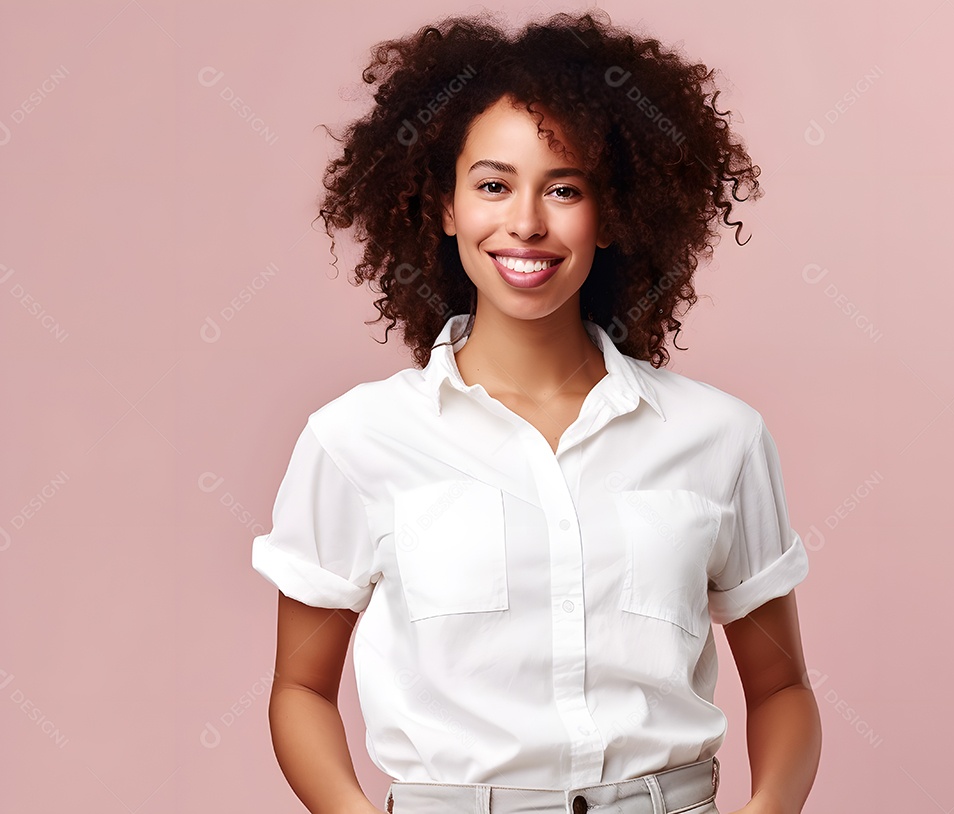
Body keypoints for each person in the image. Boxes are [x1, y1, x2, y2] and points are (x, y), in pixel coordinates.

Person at [251, 9, 821, 814]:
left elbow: (783, 686)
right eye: (492, 185)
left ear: (613, 213)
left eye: (564, 188)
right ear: (443, 206)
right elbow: (300, 688)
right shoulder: (354, 441)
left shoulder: (719, 438)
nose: (525, 222)